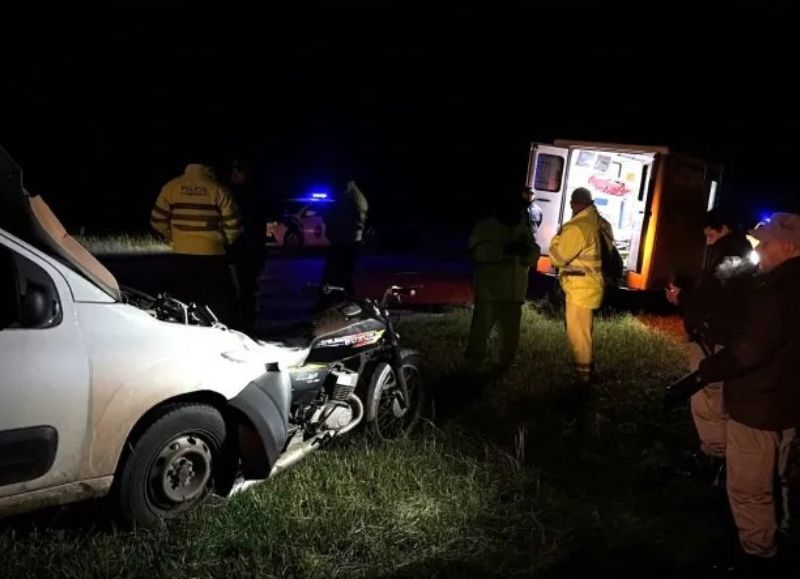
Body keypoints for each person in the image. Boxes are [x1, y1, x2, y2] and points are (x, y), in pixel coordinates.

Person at [694, 212, 800, 569]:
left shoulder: (776, 290)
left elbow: (750, 351)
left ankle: (757, 554)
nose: (759, 251)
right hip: (789, 405)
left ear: (790, 247)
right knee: (784, 478)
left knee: (750, 488)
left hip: (758, 405)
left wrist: (709, 368)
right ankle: (785, 534)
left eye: (766, 244)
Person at [665, 209, 755, 460]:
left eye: (710, 235)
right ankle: (722, 451)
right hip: (724, 336)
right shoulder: (741, 253)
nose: (707, 241)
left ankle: (715, 453)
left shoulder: (729, 255)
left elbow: (712, 299)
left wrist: (681, 297)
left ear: (724, 228)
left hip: (712, 337)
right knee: (717, 395)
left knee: (707, 395)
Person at [151, 158, 243, 324]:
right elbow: (234, 225)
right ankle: (221, 330)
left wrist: (177, 237)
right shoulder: (218, 189)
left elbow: (157, 221)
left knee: (182, 300)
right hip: (213, 254)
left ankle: (185, 329)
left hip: (182, 254)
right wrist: (222, 241)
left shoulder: (171, 187)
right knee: (220, 300)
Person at [466, 194, 540, 370]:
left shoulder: (523, 229)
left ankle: (507, 361)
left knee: (511, 331)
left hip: (514, 291)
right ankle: (474, 362)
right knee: (481, 329)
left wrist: (527, 252)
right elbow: (476, 253)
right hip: (490, 290)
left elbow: (534, 253)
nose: (519, 212)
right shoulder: (485, 227)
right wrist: (504, 250)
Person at [549, 187, 613, 384]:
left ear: (574, 204)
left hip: (580, 289)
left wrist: (557, 236)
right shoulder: (601, 223)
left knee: (578, 336)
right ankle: (587, 372)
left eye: (571, 203)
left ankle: (583, 377)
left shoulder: (577, 227)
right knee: (584, 333)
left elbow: (557, 257)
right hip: (592, 285)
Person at [227, 158, 266, 332]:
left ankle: (244, 327)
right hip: (251, 250)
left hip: (243, 250)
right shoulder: (256, 193)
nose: (233, 174)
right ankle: (247, 326)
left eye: (237, 170)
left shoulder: (238, 194)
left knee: (244, 291)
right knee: (248, 291)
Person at [320, 179, 368, 298]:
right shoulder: (353, 196)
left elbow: (344, 221)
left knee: (336, 277)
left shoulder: (350, 198)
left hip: (345, 242)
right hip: (348, 241)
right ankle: (344, 301)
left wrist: (326, 213)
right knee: (344, 277)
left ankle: (330, 303)